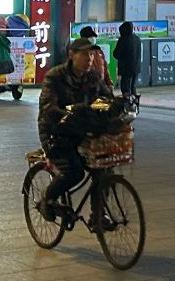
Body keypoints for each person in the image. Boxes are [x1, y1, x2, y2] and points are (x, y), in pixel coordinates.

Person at [36, 37, 113, 221]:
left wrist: (104, 108)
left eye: (92, 54)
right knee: (74, 172)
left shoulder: (93, 77)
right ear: (72, 55)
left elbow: (106, 99)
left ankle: (98, 216)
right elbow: (49, 109)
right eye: (85, 54)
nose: (90, 59)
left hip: (83, 132)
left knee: (103, 170)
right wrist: (71, 114)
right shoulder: (54, 77)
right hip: (56, 134)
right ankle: (47, 199)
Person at [113, 21, 141, 98]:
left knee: (126, 90)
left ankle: (127, 106)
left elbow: (116, 54)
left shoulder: (123, 39)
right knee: (133, 87)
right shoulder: (137, 38)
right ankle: (134, 104)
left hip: (126, 69)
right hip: (136, 67)